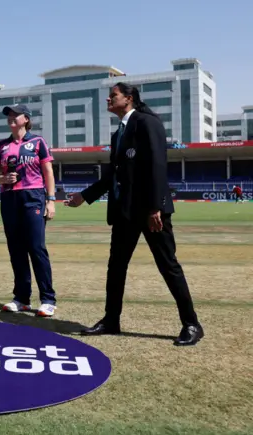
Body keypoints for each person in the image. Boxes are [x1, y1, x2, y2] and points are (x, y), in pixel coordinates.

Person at [64, 82, 204, 346]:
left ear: (128, 99)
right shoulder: (119, 133)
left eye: (113, 96)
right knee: (116, 267)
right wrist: (85, 196)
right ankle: (111, 320)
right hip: (124, 212)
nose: (108, 99)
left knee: (168, 266)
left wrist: (156, 207)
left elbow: (157, 167)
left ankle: (192, 324)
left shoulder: (146, 122)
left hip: (151, 211)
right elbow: (113, 175)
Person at [0, 104, 58, 317]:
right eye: (8, 115)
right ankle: (22, 298)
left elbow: (48, 172)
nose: (10, 117)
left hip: (33, 196)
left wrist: (51, 200)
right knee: (16, 250)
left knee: (36, 248)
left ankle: (48, 299)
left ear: (26, 119)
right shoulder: (1, 146)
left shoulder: (38, 142)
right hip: (9, 198)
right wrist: (2, 179)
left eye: (14, 115)